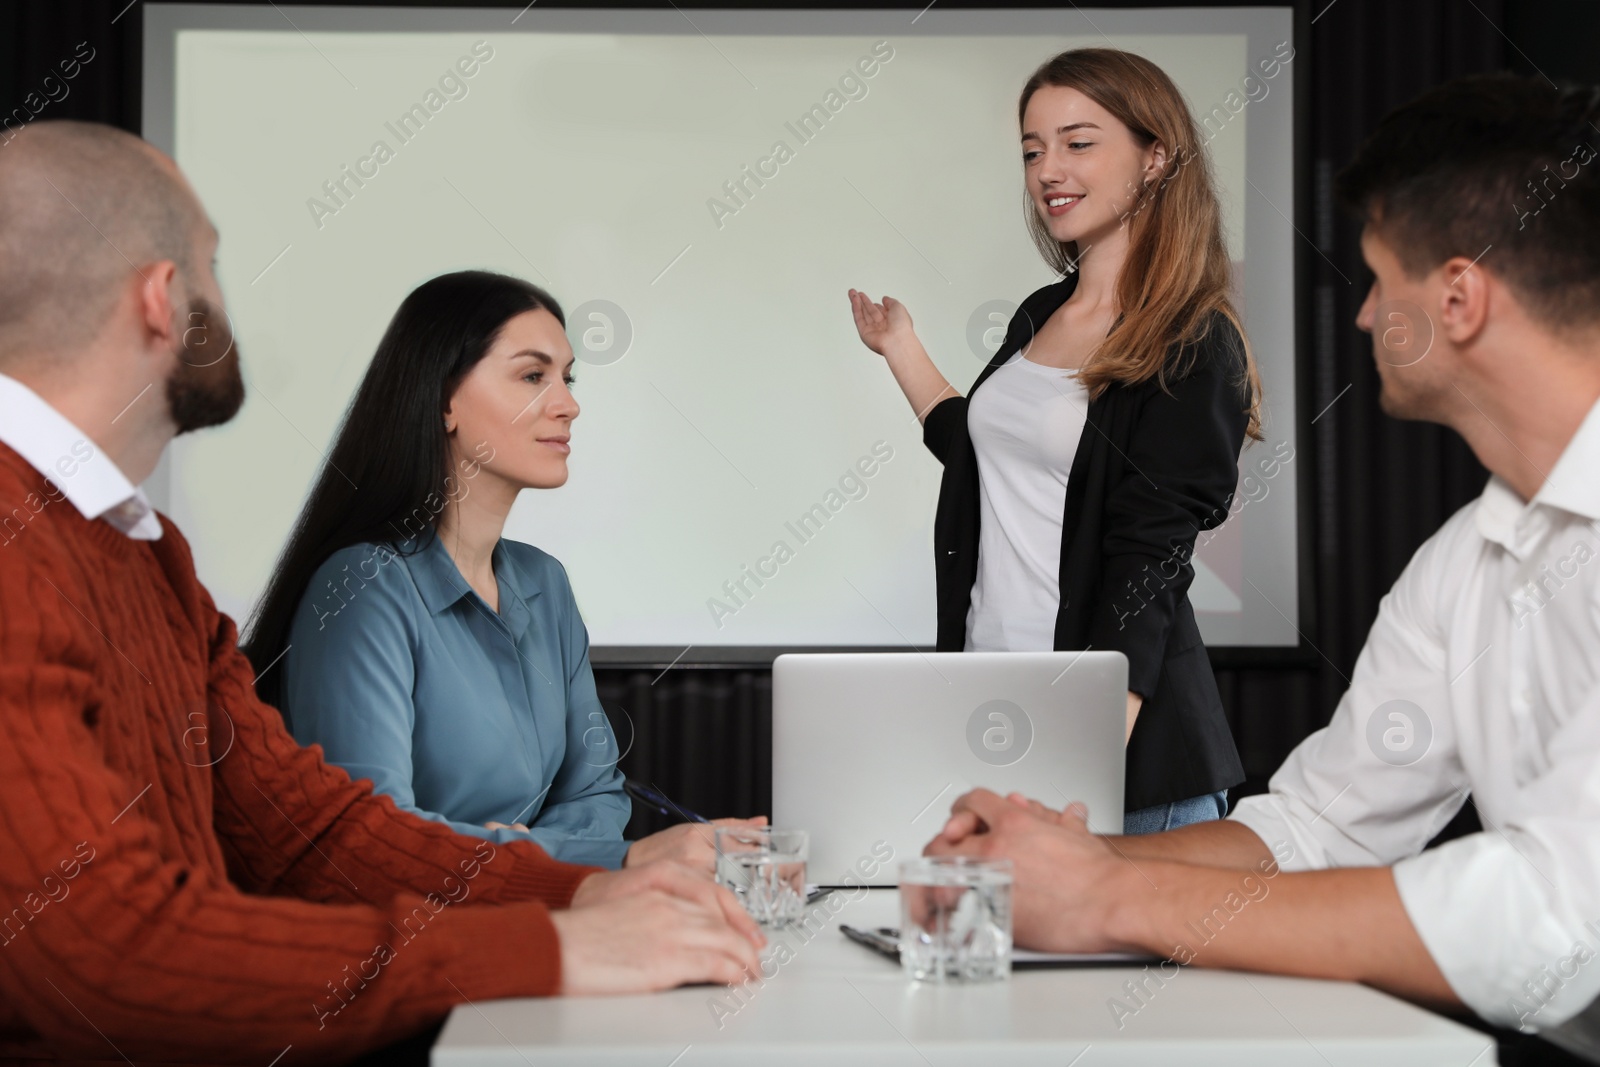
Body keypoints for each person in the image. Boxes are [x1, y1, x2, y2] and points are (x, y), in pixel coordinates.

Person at [0, 120, 763, 1065]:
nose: (225, 301)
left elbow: (310, 833)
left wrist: (584, 892)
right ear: (164, 300)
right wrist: (547, 941)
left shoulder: (149, 558)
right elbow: (104, 952)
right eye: (211, 267)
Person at [923, 72, 1600, 1060]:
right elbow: (1319, 827)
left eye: (1377, 279)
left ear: (1457, 297)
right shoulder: (1467, 562)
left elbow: (1555, 915)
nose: (1362, 317)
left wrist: (1109, 891)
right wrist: (1052, 862)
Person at [849, 48, 1263, 834]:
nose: (1047, 170)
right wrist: (901, 347)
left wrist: (1083, 761)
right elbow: (988, 459)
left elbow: (1147, 562)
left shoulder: (1192, 340)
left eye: (1078, 143)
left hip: (1125, 769)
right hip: (1000, 728)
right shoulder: (1041, 313)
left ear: (1155, 157)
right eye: (1032, 149)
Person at [243, 270, 762, 870]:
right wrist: (590, 858)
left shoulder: (546, 584)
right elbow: (376, 842)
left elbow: (595, 793)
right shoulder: (363, 587)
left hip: (543, 919)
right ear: (443, 402)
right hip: (417, 948)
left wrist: (522, 853)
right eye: (532, 376)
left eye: (565, 379)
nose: (568, 405)